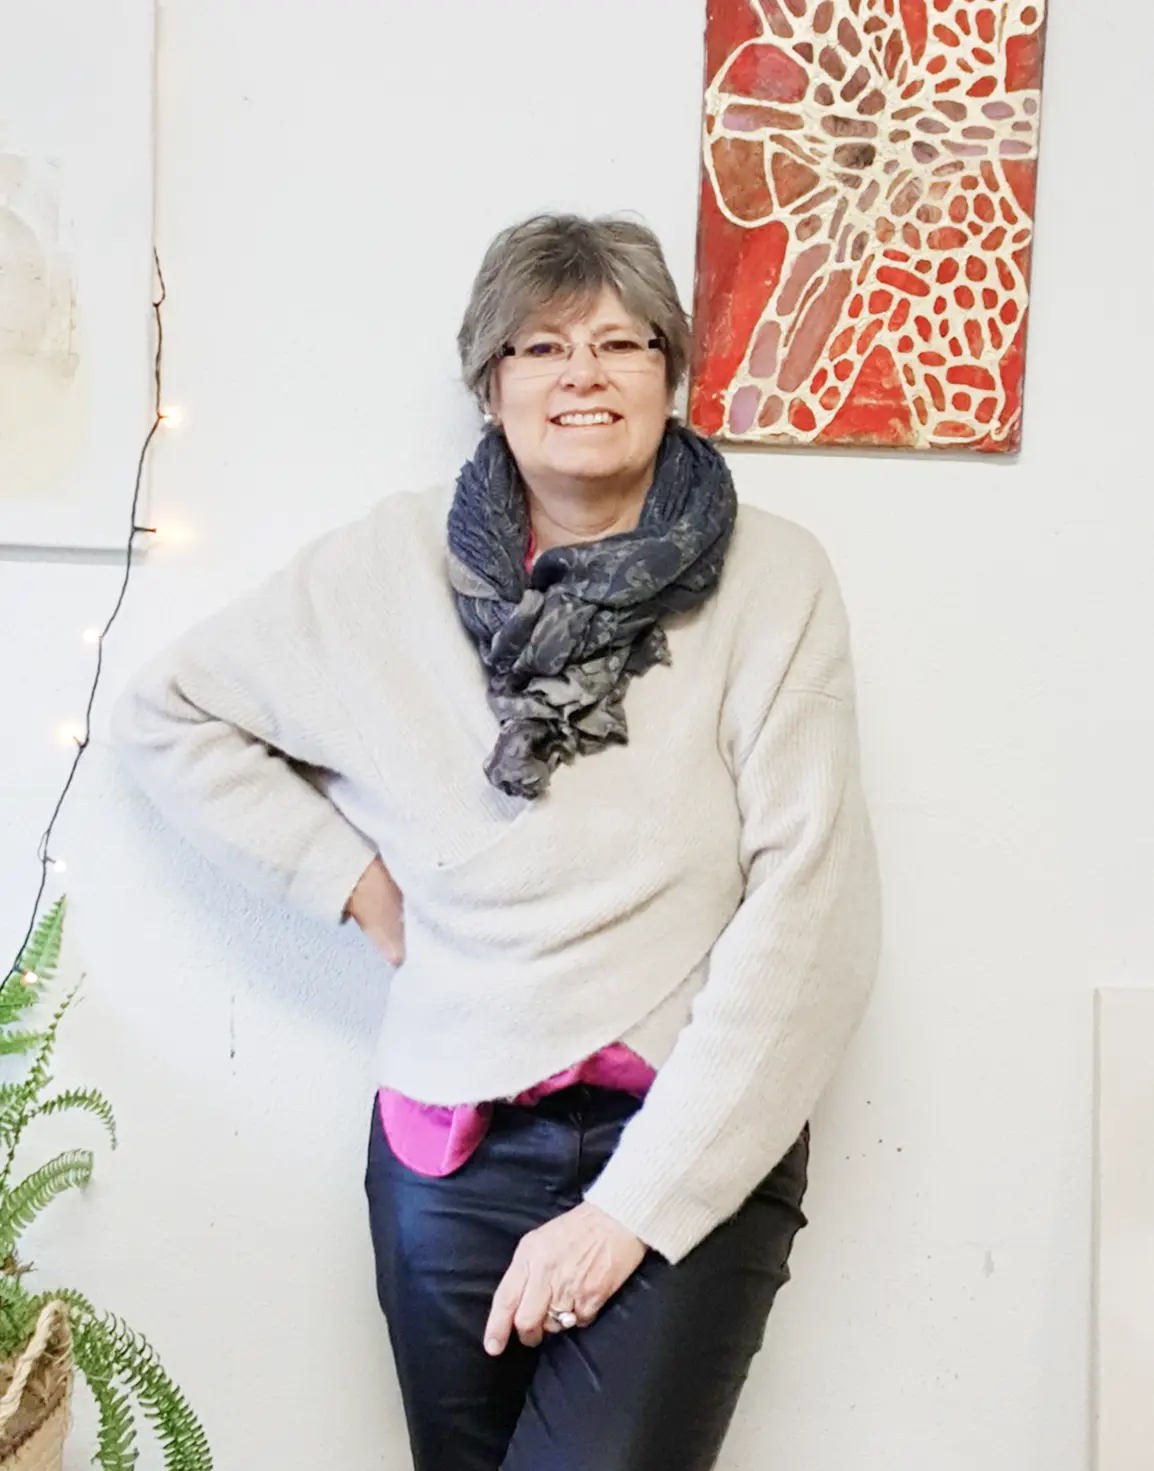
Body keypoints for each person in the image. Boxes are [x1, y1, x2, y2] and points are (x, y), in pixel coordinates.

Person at [112, 212, 881, 1471]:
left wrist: (627, 1212)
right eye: (541, 346)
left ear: (671, 374)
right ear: (488, 383)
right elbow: (171, 711)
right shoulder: (385, 566)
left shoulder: (773, 578)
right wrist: (345, 878)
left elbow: (813, 912)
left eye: (621, 343)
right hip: (446, 1146)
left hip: (683, 1131)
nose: (583, 375)